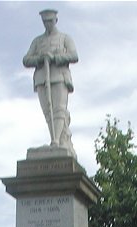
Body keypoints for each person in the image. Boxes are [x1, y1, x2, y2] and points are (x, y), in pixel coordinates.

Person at [23, 9, 78, 154]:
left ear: (56, 21)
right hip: (42, 79)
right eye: (45, 22)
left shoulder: (65, 38)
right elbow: (26, 59)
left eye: (50, 21)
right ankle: (55, 139)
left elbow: (74, 55)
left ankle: (57, 141)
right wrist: (40, 58)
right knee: (48, 111)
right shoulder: (37, 41)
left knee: (59, 109)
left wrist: (55, 57)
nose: (48, 24)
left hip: (59, 76)